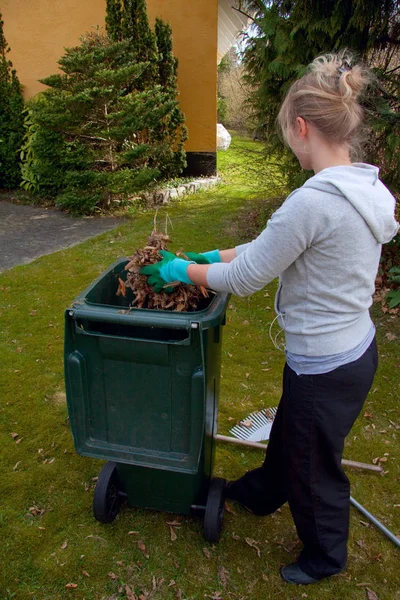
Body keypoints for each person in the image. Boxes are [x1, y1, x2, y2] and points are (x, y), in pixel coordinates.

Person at [140, 51, 399, 584]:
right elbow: (270, 247)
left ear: (302, 128)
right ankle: (260, 494)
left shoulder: (314, 201)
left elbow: (248, 278)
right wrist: (214, 256)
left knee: (315, 469)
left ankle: (325, 557)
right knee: (293, 436)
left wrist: (182, 270)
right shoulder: (364, 188)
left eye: (288, 134)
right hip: (350, 352)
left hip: (324, 365)